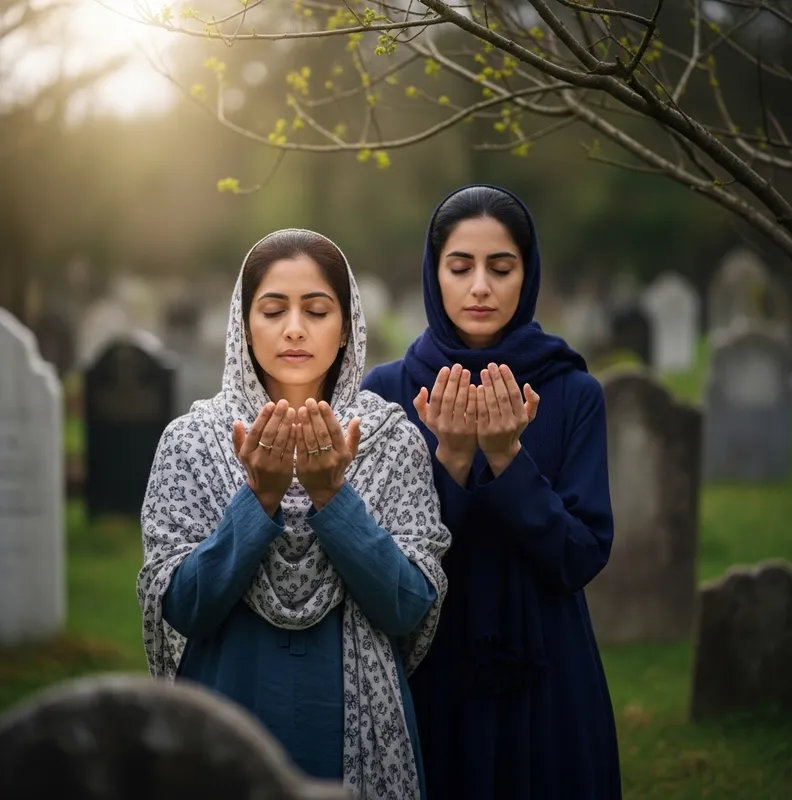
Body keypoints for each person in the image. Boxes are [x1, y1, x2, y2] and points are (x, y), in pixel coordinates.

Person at [138, 229, 451, 800]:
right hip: (227, 708)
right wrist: (258, 497)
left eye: (317, 309)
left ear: (347, 326)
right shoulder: (192, 442)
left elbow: (408, 605)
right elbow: (182, 606)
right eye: (273, 309)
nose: (295, 328)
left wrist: (334, 497)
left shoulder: (391, 440)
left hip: (359, 730)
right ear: (244, 324)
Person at [362, 186, 621, 799]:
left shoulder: (573, 391)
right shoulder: (388, 391)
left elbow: (579, 554)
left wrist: (507, 457)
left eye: (501, 268)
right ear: (435, 274)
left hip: (548, 668)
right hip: (431, 662)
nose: (480, 286)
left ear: (526, 276)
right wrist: (450, 461)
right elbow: (382, 566)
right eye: (460, 267)